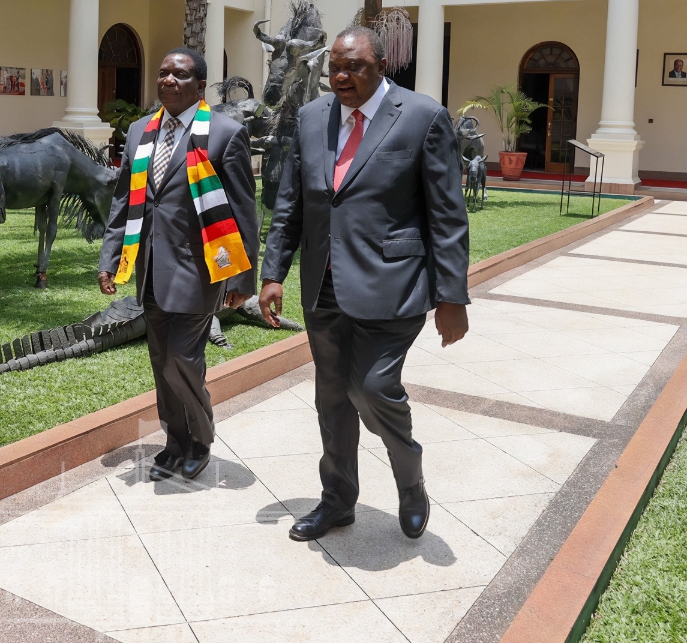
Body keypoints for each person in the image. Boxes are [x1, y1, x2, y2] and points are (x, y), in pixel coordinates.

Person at [259, 26, 470, 542]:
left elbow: (447, 215)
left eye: (353, 66)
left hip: (392, 283)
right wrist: (273, 272)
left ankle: (410, 479)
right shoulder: (312, 118)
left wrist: (451, 296)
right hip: (324, 284)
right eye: (334, 67)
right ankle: (337, 502)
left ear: (381, 66)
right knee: (332, 397)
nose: (341, 76)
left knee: (371, 388)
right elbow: (291, 202)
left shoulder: (422, 117)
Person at [98, 48, 259, 482]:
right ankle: (174, 442)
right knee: (160, 361)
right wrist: (110, 258)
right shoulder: (139, 131)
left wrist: (243, 277)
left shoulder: (224, 134)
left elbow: (244, 211)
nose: (169, 80)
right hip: (149, 268)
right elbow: (123, 201)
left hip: (198, 269)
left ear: (200, 85)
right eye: (164, 73)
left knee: (180, 360)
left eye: (180, 74)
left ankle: (200, 440)